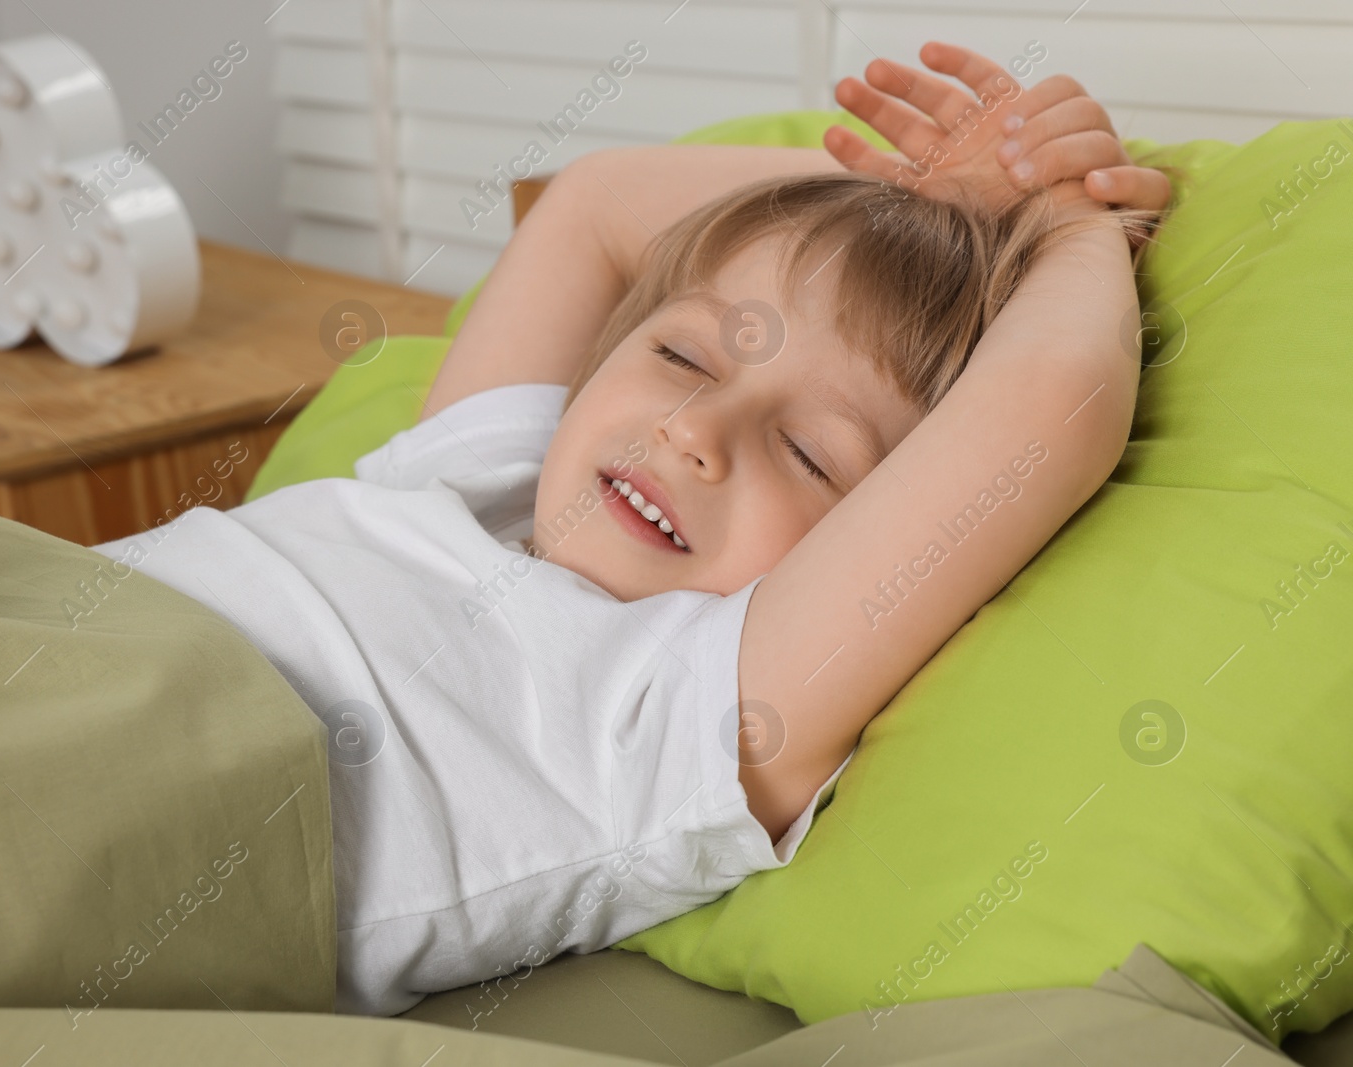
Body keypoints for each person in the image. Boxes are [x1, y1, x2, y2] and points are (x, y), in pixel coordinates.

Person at [90, 43, 1175, 1016]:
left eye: (809, 453)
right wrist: (931, 199)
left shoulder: (684, 707)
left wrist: (1067, 227)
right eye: (683, 356)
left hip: (109, 800)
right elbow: (594, 209)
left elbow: (1053, 403)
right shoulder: (477, 477)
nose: (695, 429)